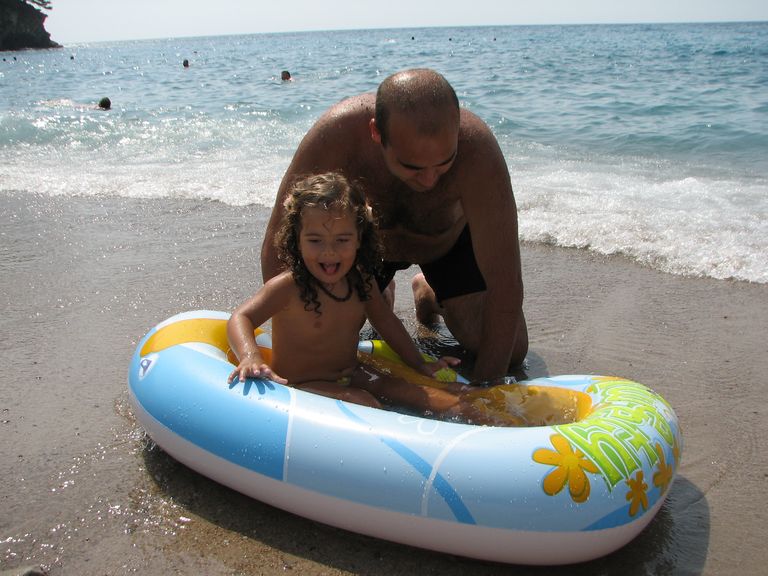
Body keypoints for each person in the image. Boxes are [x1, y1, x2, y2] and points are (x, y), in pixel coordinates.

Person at [261, 68, 528, 382]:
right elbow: (279, 243)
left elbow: (505, 279)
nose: (429, 180)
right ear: (376, 132)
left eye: (444, 163)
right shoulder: (336, 135)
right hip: (360, 250)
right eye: (412, 166)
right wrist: (300, 336)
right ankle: (380, 295)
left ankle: (429, 294)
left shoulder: (478, 150)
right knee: (330, 327)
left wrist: (487, 386)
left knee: (512, 351)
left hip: (445, 244)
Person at [229, 172, 482, 420]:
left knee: (423, 393)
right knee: (364, 402)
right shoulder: (289, 287)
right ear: (297, 239)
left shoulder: (360, 281)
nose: (329, 252)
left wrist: (419, 364)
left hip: (353, 372)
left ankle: (484, 413)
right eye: (315, 240)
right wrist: (250, 356)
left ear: (359, 238)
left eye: (342, 240)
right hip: (300, 384)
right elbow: (242, 317)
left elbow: (386, 322)